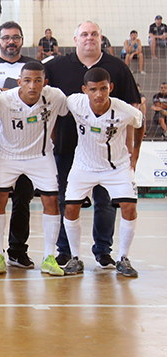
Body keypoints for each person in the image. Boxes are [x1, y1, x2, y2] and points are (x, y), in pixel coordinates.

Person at [44, 21, 141, 269]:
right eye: (84, 34)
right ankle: (69, 254)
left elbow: (137, 116)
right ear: (75, 39)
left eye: (94, 34)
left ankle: (109, 253)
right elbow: (51, 102)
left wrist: (134, 152)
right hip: (73, 153)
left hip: (113, 160)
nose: (90, 38)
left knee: (110, 204)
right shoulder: (59, 72)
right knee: (69, 203)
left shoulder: (118, 71)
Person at [62, 68, 144, 277]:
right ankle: (75, 258)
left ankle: (123, 258)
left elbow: (140, 122)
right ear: (85, 90)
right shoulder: (75, 102)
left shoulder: (124, 110)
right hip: (83, 166)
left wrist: (135, 153)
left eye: (103, 89)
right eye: (93, 90)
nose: (99, 94)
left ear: (111, 88)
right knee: (70, 208)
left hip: (116, 167)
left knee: (128, 207)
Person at [0, 62, 69, 276]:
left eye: (37, 81)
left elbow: (66, 113)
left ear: (45, 83)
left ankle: (49, 257)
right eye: (27, 81)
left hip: (40, 156)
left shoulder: (56, 97)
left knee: (52, 200)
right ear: (19, 82)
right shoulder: (4, 101)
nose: (32, 86)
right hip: (8, 156)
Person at [0, 22, 37, 269]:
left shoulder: (32, 66)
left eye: (15, 37)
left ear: (21, 39)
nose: (11, 42)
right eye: (6, 38)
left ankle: (17, 250)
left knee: (22, 199)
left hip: (24, 144)